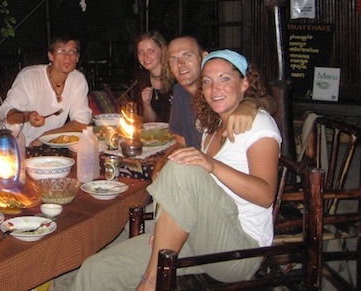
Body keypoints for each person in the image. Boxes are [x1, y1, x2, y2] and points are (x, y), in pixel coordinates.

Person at [72, 50, 281, 290]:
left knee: (185, 167)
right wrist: (165, 231)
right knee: (96, 270)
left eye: (225, 78)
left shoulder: (258, 123)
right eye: (207, 82)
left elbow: (265, 196)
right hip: (199, 236)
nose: (215, 88)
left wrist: (211, 164)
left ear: (244, 83)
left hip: (240, 250)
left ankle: (151, 283)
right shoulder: (211, 127)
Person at [167, 36, 275, 149]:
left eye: (187, 55)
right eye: (173, 59)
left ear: (203, 57)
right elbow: (180, 142)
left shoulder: (225, 94)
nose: (180, 64)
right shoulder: (179, 92)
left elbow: (269, 102)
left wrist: (250, 104)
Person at [0, 35, 93, 146]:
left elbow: (81, 122)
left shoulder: (78, 80)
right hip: (11, 145)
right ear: (51, 56)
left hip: (46, 146)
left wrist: (46, 137)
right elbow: (7, 114)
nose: (67, 57)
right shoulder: (30, 76)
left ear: (77, 57)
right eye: (60, 50)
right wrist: (28, 116)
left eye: (72, 51)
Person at [133, 31, 174, 122]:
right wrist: (146, 104)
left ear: (162, 50)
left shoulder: (176, 76)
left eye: (151, 51)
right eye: (141, 52)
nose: (145, 56)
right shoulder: (143, 80)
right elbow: (151, 122)